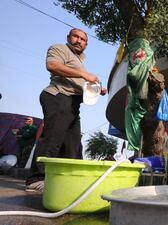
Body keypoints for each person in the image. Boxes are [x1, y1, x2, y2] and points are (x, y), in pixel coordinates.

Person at [25, 28, 107, 192]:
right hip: (58, 96)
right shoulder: (60, 49)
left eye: (83, 39)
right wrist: (85, 75)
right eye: (76, 37)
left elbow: (76, 82)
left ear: (86, 44)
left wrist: (96, 89)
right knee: (53, 137)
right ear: (68, 38)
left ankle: (64, 179)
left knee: (73, 144)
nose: (79, 41)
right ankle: (36, 178)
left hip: (72, 103)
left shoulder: (79, 61)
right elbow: (52, 65)